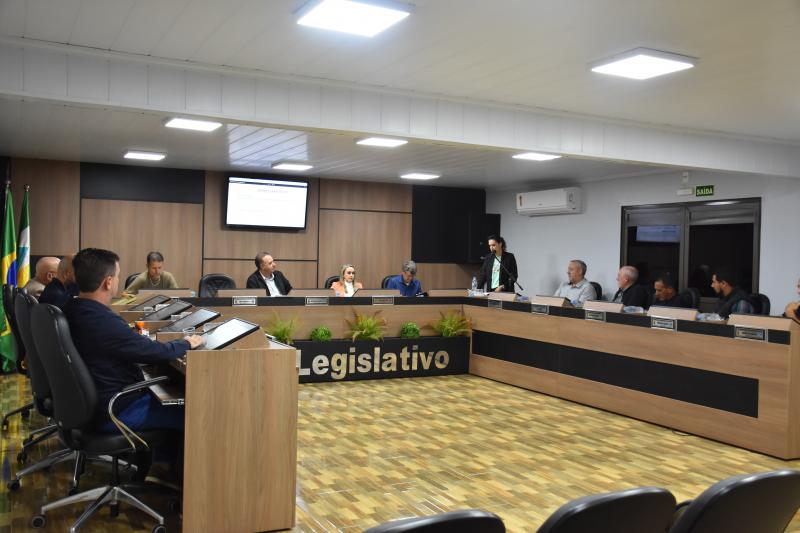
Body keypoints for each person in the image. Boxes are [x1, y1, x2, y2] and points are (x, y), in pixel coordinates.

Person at [63, 248, 204, 434]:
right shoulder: (102, 322)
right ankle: (165, 454)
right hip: (115, 410)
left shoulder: (70, 310)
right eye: (117, 276)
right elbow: (155, 353)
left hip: (89, 406)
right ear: (108, 282)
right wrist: (185, 343)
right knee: (195, 414)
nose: (118, 280)